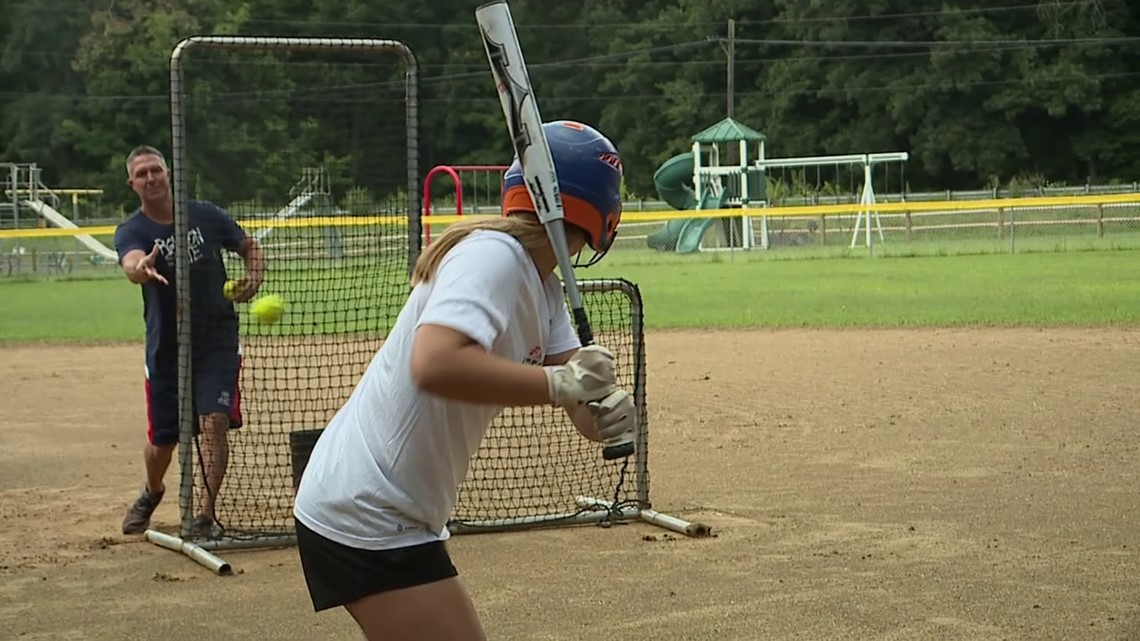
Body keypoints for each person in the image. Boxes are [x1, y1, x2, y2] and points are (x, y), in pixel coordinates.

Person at [292, 120, 636, 640]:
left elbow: (580, 405)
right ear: (603, 214)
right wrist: (560, 384)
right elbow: (435, 364)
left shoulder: (544, 288)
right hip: (369, 510)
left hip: (396, 506)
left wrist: (605, 410)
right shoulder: (493, 257)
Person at [114, 145, 266, 538]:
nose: (151, 178)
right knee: (163, 442)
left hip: (217, 340)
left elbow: (249, 246)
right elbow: (131, 262)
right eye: (142, 174)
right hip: (166, 347)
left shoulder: (204, 214)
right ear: (132, 184)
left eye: (156, 170)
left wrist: (254, 277)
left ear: (168, 173)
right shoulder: (133, 230)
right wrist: (141, 267)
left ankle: (204, 515)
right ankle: (152, 491)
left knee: (213, 422)